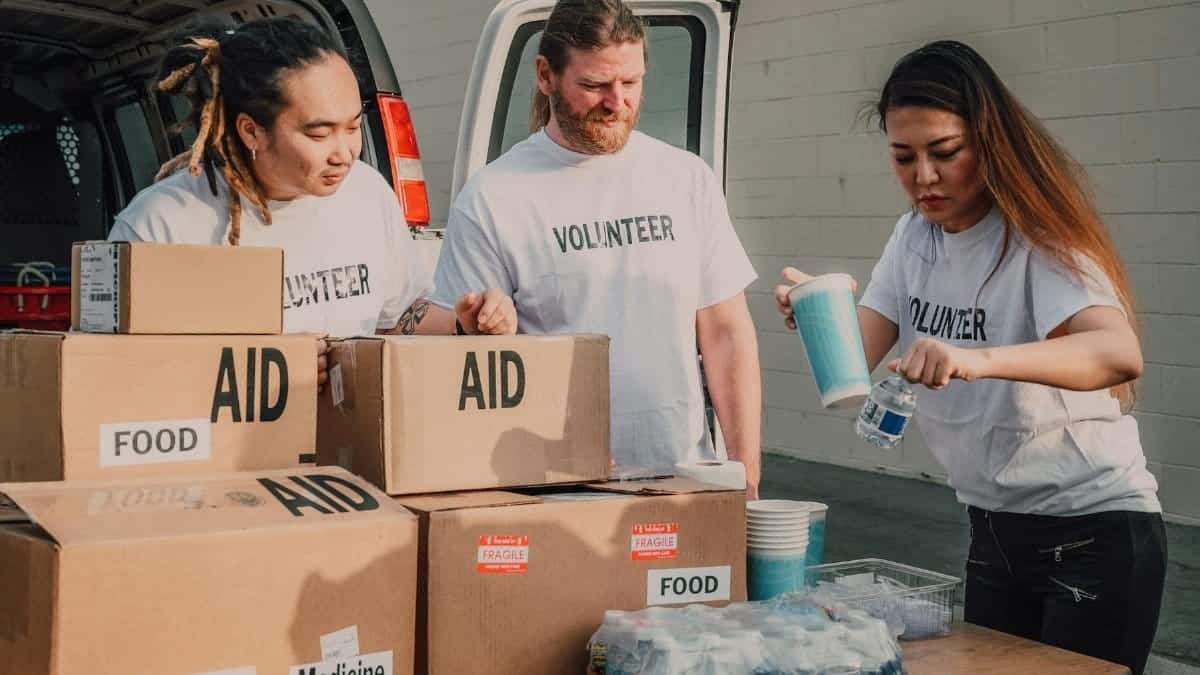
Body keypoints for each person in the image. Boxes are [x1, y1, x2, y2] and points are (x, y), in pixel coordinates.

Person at [774, 41, 1165, 674]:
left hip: (1092, 530)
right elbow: (858, 361)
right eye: (904, 157)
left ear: (987, 141)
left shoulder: (1038, 236)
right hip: (993, 531)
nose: (924, 177)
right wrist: (818, 313)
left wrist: (977, 360)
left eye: (944, 153)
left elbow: (1117, 352)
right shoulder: (913, 237)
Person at [432, 0, 763, 497]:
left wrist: (746, 475)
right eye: (593, 86)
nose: (616, 102)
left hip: (685, 479)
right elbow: (477, 368)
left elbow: (725, 333)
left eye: (630, 83)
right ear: (546, 75)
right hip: (555, 488)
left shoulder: (684, 178)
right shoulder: (494, 197)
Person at [108, 18, 516, 386]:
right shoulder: (159, 226)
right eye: (320, 134)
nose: (345, 152)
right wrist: (265, 368)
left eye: (354, 126)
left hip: (348, 454)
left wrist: (465, 325)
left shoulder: (367, 193)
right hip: (221, 463)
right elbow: (111, 376)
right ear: (251, 131)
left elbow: (398, 319)